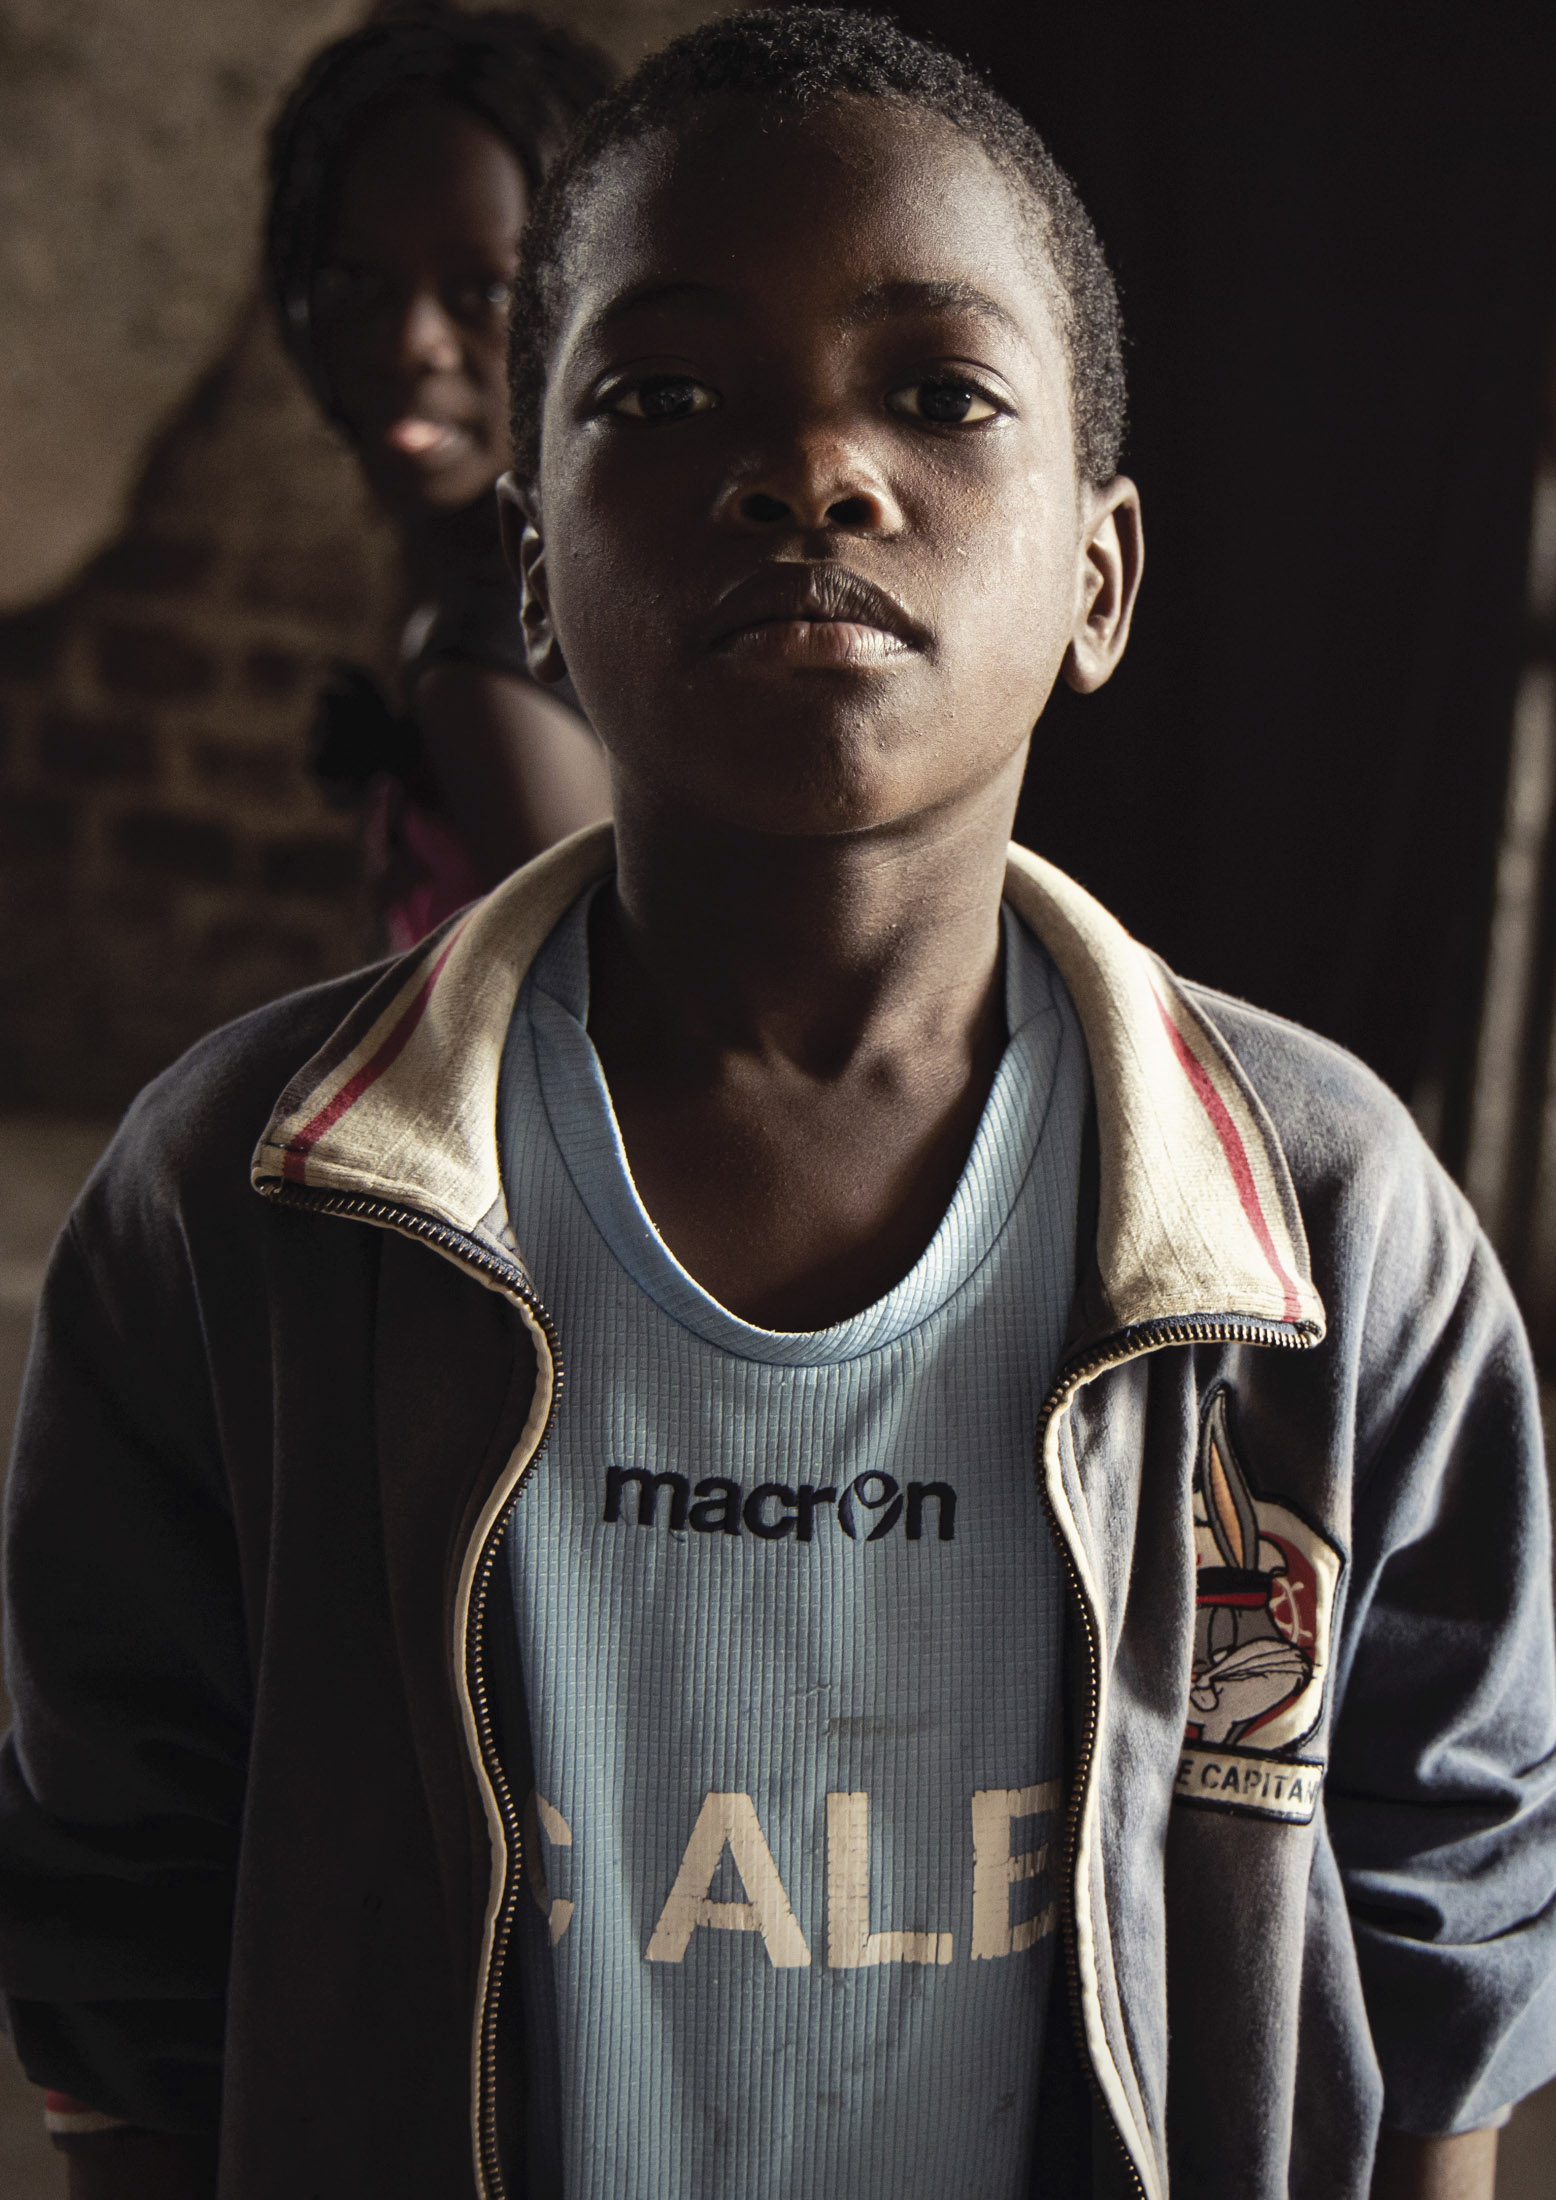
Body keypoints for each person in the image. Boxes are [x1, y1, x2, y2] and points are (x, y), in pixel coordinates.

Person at [2, 12, 1553, 2199]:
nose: (813, 467)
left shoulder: (1328, 1231)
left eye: (935, 393)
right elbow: (123, 1929)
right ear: (534, 560)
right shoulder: (231, 1211)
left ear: (1097, 577)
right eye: (662, 396)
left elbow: (1435, 1911)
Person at [267, 6, 614, 947]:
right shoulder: (528, 605)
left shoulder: (488, 667)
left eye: (486, 292)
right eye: (354, 286)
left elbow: (623, 1060)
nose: (410, 342)